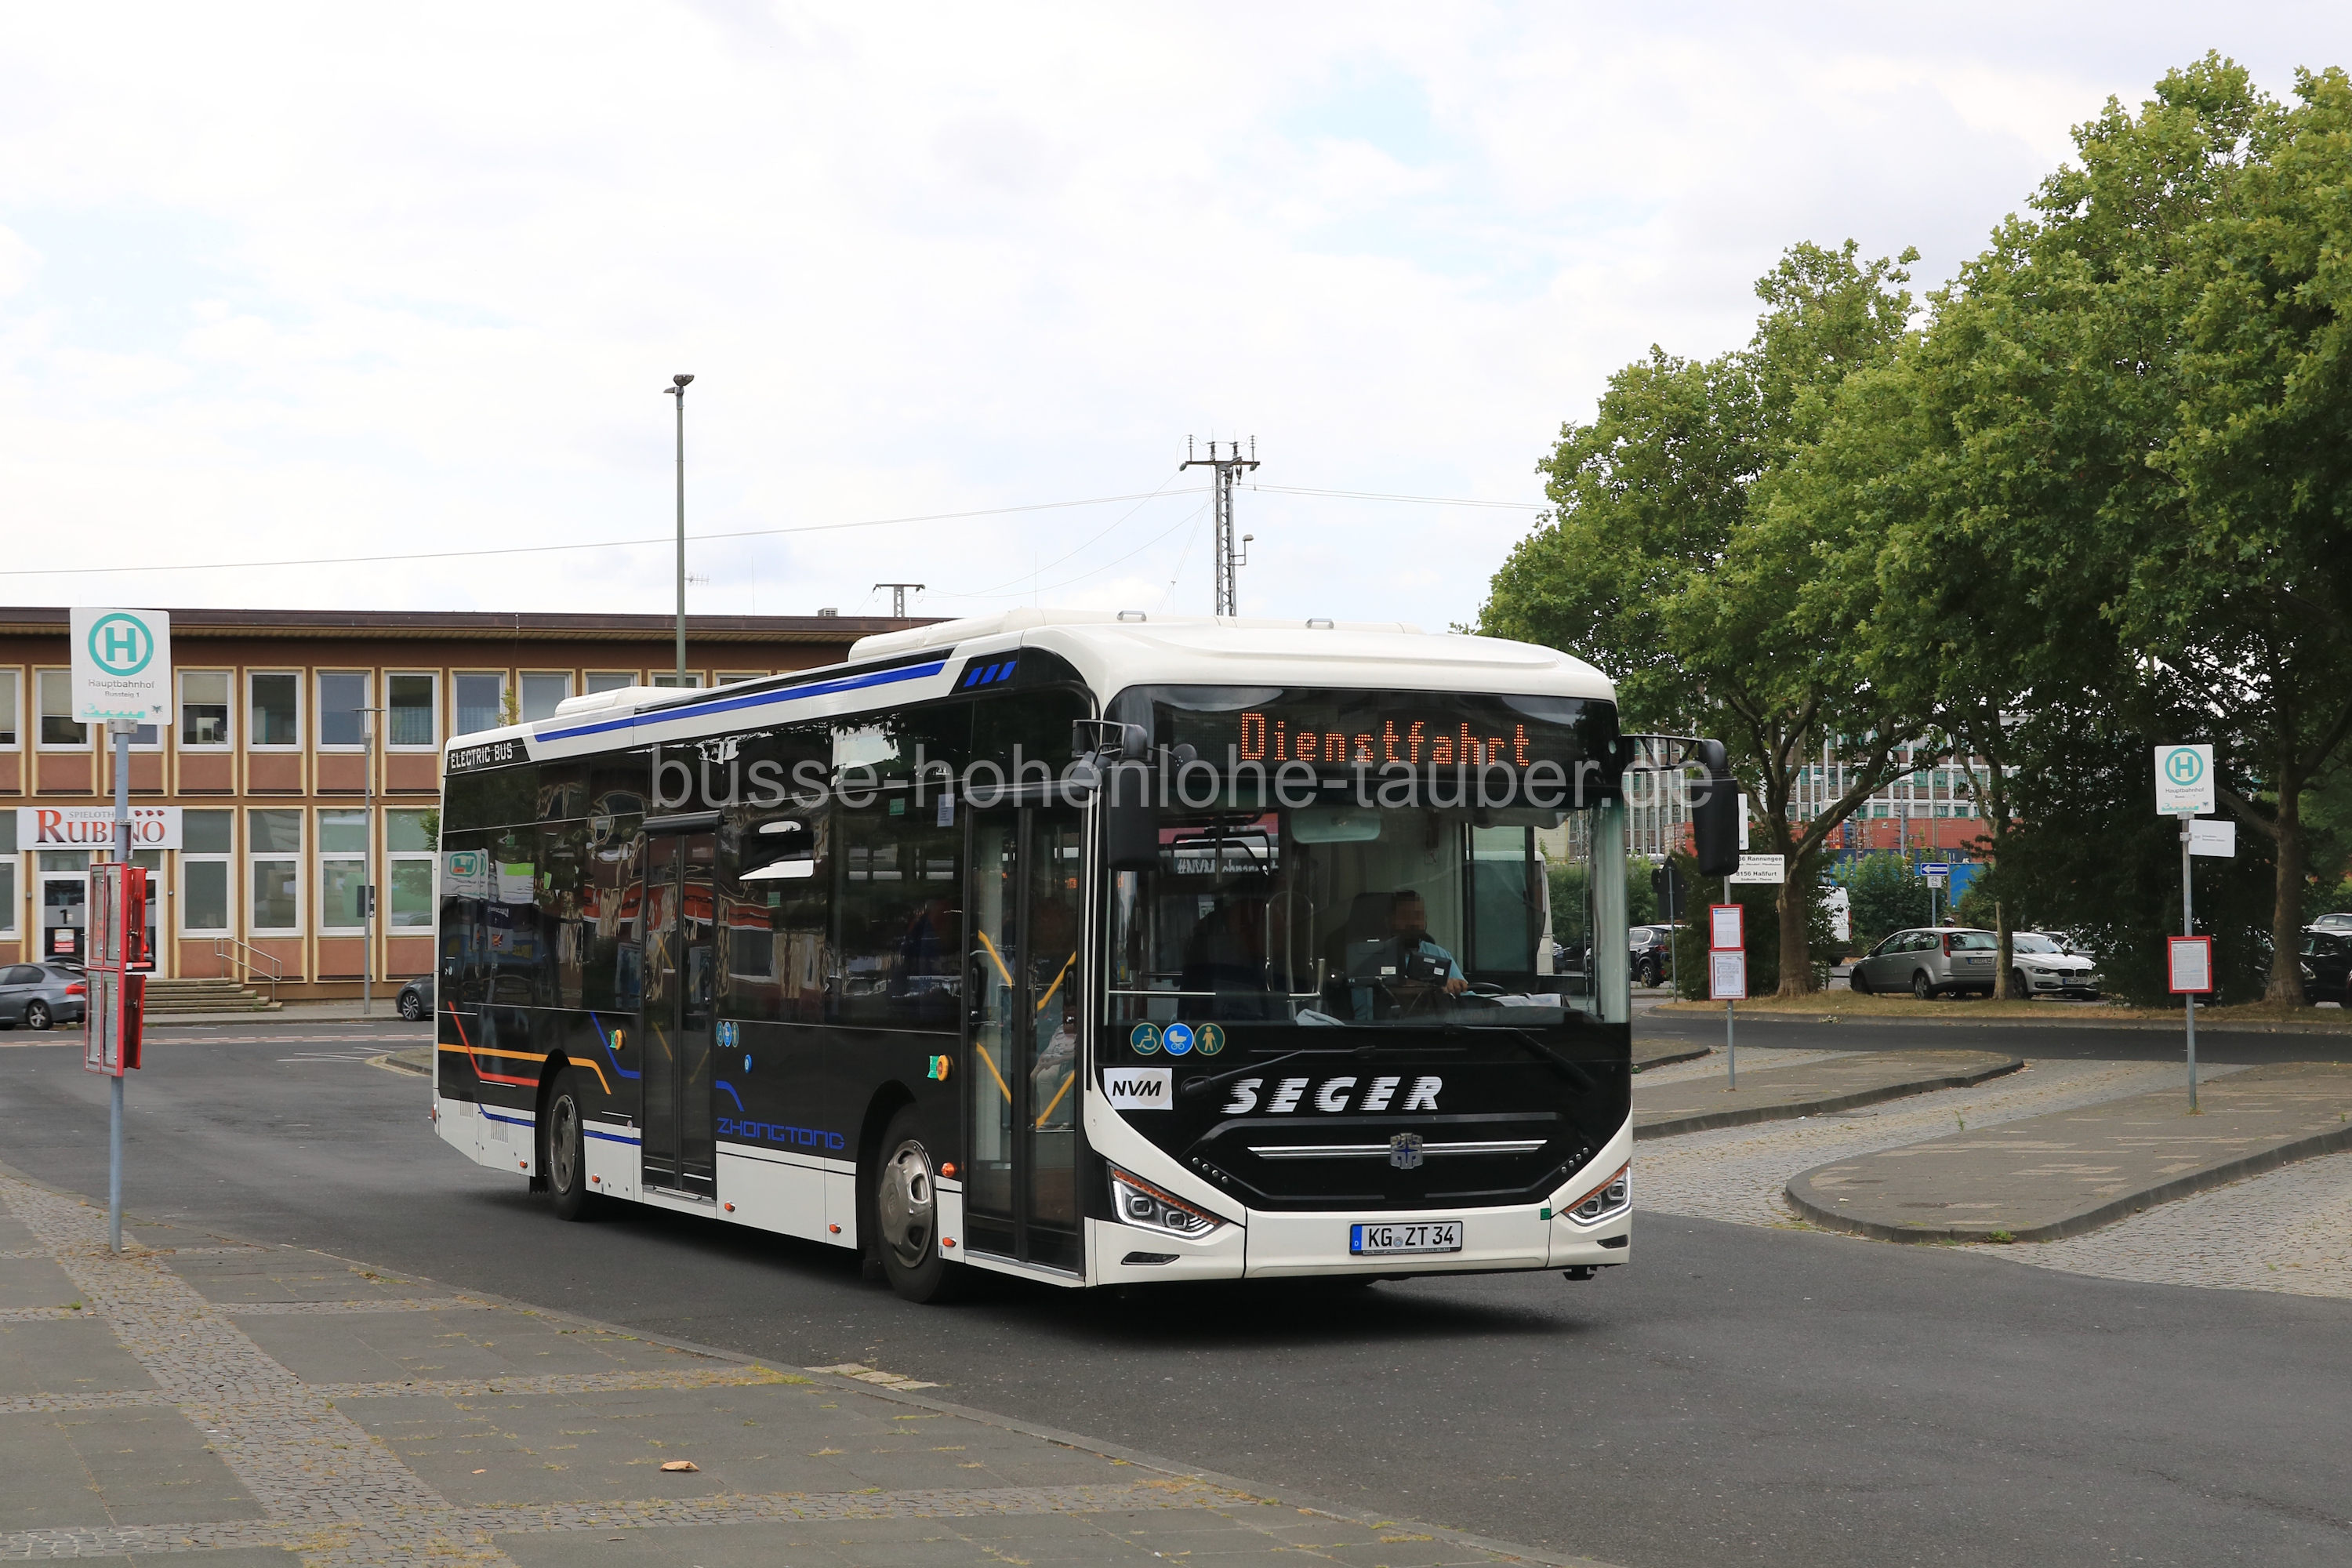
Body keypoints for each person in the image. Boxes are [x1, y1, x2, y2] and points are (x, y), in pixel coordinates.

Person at [1347, 890, 1468, 1020]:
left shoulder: (1440, 954)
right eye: (1405, 916)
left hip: (1437, 1029)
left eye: (1418, 915)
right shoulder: (1369, 960)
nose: (1413, 922)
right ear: (1389, 921)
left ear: (1425, 920)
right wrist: (1432, 988)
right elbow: (1364, 1018)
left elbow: (1468, 1000)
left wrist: (1454, 987)